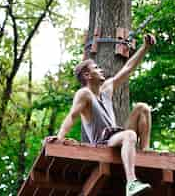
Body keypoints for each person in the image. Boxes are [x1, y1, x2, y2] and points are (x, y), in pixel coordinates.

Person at [46, 34, 156, 196]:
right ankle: (131, 183)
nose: (101, 69)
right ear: (87, 75)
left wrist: (145, 47)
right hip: (103, 142)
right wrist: (60, 137)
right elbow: (72, 116)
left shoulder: (107, 88)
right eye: (96, 68)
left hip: (117, 135)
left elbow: (128, 68)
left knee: (142, 107)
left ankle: (145, 150)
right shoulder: (84, 94)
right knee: (130, 135)